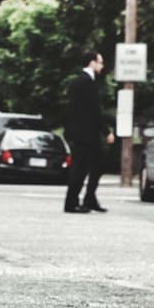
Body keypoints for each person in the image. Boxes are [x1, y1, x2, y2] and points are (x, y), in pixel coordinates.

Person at [64, 50, 115, 213]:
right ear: (92, 63)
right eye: (100, 62)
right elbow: (93, 111)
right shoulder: (86, 83)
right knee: (80, 168)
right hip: (85, 134)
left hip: (83, 133)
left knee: (97, 165)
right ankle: (72, 202)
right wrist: (107, 131)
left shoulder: (79, 82)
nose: (102, 66)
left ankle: (89, 198)